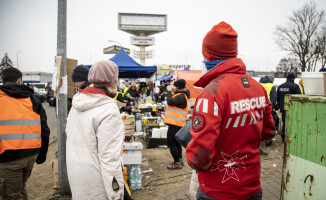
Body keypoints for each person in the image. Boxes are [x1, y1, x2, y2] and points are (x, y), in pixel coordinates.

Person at [186, 22, 276, 200]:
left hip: (218, 191)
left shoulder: (211, 93)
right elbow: (268, 132)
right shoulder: (257, 88)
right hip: (252, 186)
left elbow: (199, 157)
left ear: (208, 55)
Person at [66, 60, 124, 199]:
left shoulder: (77, 102)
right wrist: (116, 194)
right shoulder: (108, 109)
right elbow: (109, 158)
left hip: (77, 176)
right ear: (114, 80)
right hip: (98, 183)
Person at [0, 67, 50, 199]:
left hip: (7, 156)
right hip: (30, 154)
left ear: (3, 80)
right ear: (19, 80)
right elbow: (44, 130)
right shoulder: (32, 99)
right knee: (19, 190)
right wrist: (42, 155)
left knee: (11, 194)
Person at [164, 79, 190, 170]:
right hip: (177, 124)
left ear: (178, 87)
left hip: (176, 124)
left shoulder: (181, 96)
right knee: (176, 143)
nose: (172, 87)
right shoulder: (181, 96)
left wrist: (168, 91)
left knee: (171, 143)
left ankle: (177, 162)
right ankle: (179, 160)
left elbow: (170, 102)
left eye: (174, 86)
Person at [277, 72, 301, 142]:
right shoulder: (295, 86)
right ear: (293, 78)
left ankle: (283, 137)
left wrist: (280, 107)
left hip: (283, 108)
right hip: (293, 108)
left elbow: (278, 98)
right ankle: (291, 137)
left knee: (285, 122)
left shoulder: (280, 86)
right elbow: (299, 98)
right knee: (293, 123)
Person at [259, 75, 278, 151]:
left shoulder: (257, 84)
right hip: (267, 108)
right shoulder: (272, 86)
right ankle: (268, 140)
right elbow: (273, 99)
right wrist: (272, 109)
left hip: (258, 108)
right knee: (271, 124)